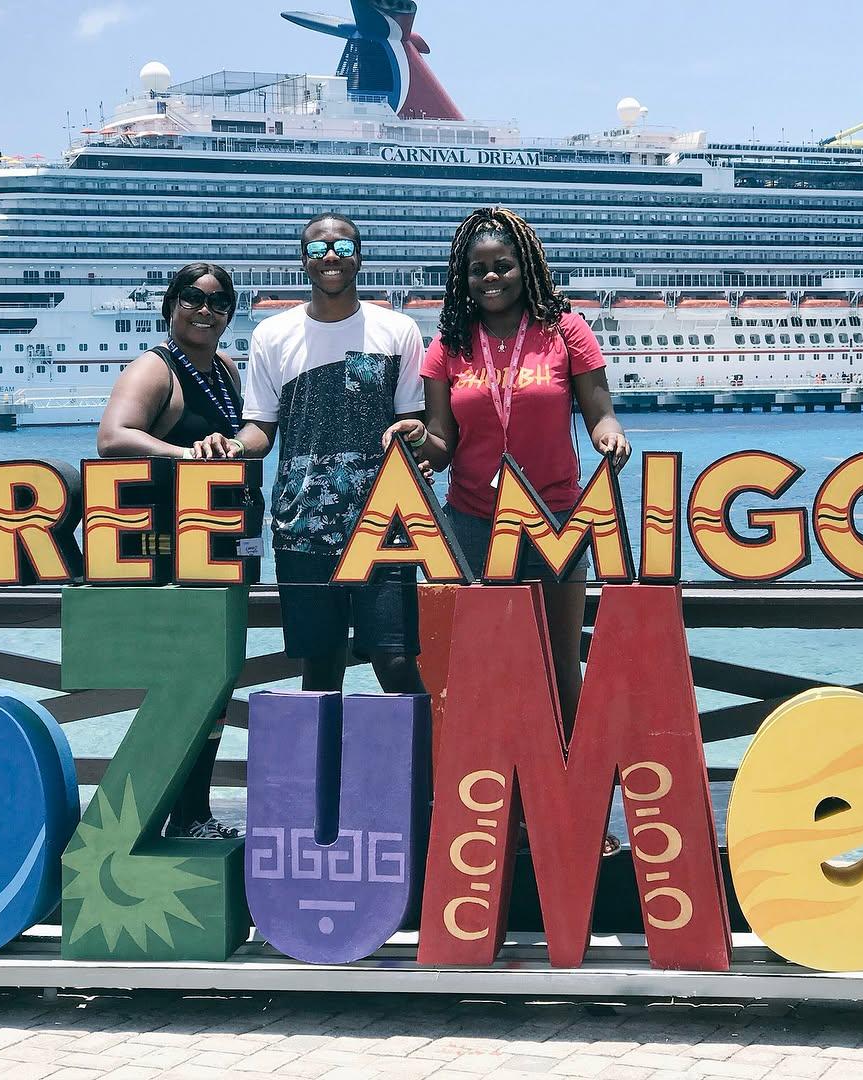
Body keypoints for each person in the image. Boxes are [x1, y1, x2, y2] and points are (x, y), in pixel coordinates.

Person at [384, 207, 631, 852]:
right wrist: (418, 441)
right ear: (461, 278)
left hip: (555, 519)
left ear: (525, 267)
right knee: (481, 673)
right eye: (478, 269)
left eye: (502, 265)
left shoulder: (566, 331)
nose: (491, 276)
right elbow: (442, 442)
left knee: (560, 667)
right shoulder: (448, 347)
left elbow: (597, 411)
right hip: (471, 524)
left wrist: (610, 435)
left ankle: (580, 814)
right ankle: (498, 812)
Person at [215, 213, 428, 695]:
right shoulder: (271, 334)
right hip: (301, 526)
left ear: (360, 257)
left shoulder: (399, 330)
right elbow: (260, 429)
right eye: (316, 250)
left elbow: (416, 421)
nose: (330, 257)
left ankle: (420, 772)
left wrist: (418, 434)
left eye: (342, 247)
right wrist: (232, 446)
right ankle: (322, 772)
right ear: (302, 262)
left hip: (386, 523)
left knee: (395, 662)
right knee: (319, 670)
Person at [96, 261, 243, 840]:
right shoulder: (156, 368)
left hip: (215, 543)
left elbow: (250, 433)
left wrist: (232, 445)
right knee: (186, 685)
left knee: (215, 690)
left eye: (216, 301)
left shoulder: (226, 370)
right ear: (169, 305)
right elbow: (113, 437)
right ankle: (172, 815)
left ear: (230, 314)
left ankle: (194, 814)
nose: (203, 310)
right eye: (191, 298)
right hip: (165, 550)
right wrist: (187, 456)